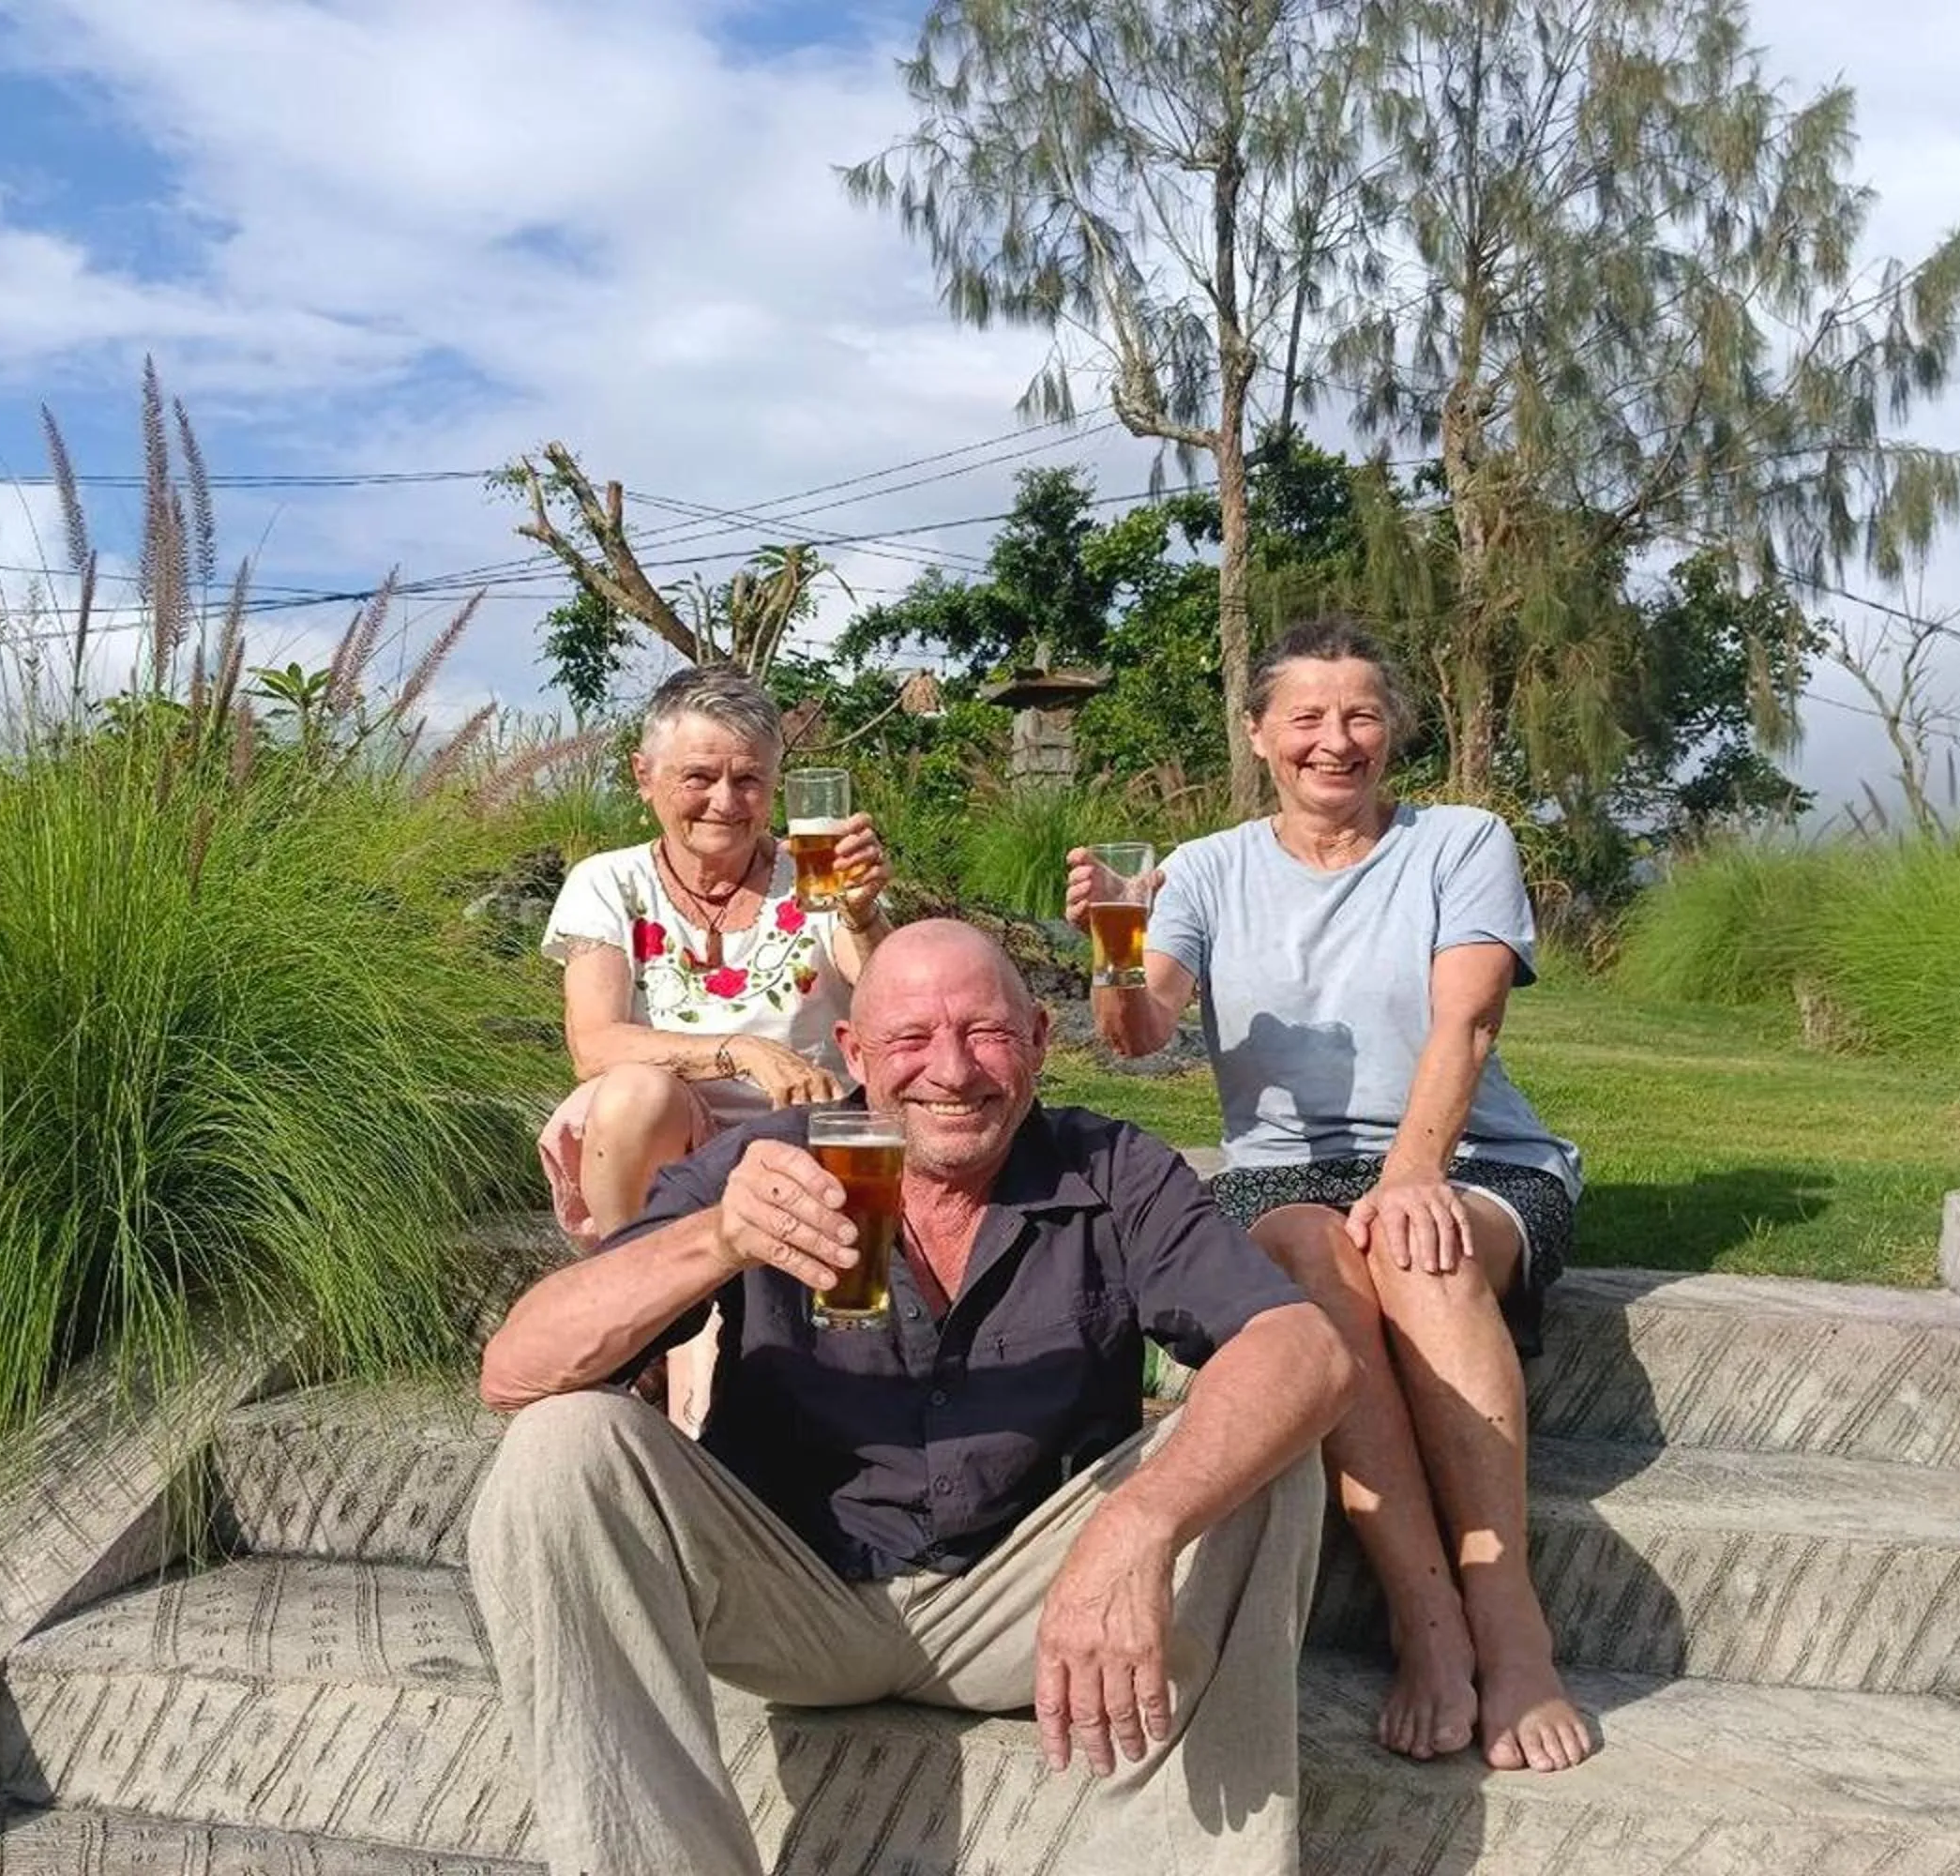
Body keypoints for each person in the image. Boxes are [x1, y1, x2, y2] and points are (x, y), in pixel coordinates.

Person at [472, 921, 1350, 1876]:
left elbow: (1302, 1346)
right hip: (792, 1594)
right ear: (852, 1054)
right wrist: (718, 1240)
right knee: (563, 1444)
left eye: (985, 1032)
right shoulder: (767, 1161)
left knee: (1263, 1456)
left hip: (1031, 1601)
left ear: (1041, 1040)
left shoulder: (1111, 1168)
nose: (952, 1069)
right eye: (910, 1040)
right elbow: (515, 1372)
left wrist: (1135, 1524)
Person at [1071, 614, 1594, 1775]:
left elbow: (1469, 1018)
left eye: (1360, 713)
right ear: (1260, 734)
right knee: (1313, 1249)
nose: (1335, 739)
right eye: (1305, 715)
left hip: (1473, 1152)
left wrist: (1415, 1173)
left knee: (1419, 1247)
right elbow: (1138, 1032)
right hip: (1285, 1175)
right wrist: (1115, 940)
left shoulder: (1461, 840)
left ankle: (1508, 1616)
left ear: (1391, 730)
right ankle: (1426, 1616)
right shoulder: (1205, 868)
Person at [536, 663, 891, 1431]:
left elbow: (891, 1006)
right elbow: (594, 1045)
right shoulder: (610, 881)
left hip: (802, 1139)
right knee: (634, 1091)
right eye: (699, 776)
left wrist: (864, 919)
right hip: (665, 1147)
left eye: (750, 780)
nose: (726, 803)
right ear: (644, 776)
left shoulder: (817, 878)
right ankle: (642, 1318)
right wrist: (739, 1050)